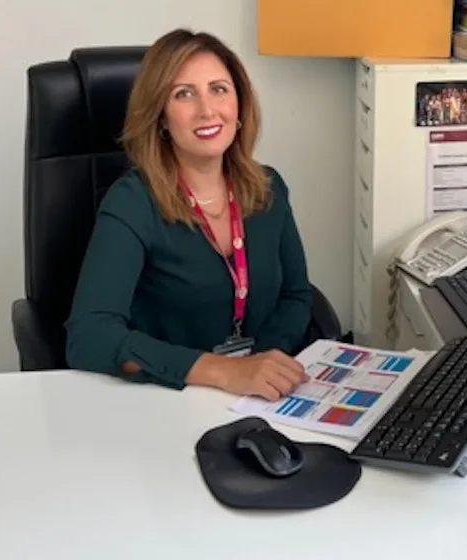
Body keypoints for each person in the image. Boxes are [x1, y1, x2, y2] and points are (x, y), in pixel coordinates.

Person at [65, 28, 313, 401]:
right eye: (184, 94)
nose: (207, 110)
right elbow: (88, 337)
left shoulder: (268, 188)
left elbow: (296, 296)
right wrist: (224, 371)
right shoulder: (132, 201)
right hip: (164, 399)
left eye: (219, 89)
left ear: (239, 104)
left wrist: (265, 365)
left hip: (256, 402)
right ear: (161, 117)